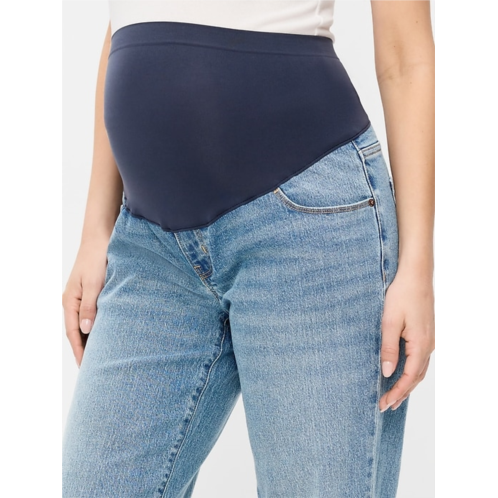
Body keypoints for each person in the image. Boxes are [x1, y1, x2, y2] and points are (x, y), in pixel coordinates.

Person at [62, 1, 436, 496]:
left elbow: (407, 57)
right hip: (149, 245)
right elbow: (126, 24)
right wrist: (95, 230)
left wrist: (417, 267)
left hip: (310, 235)